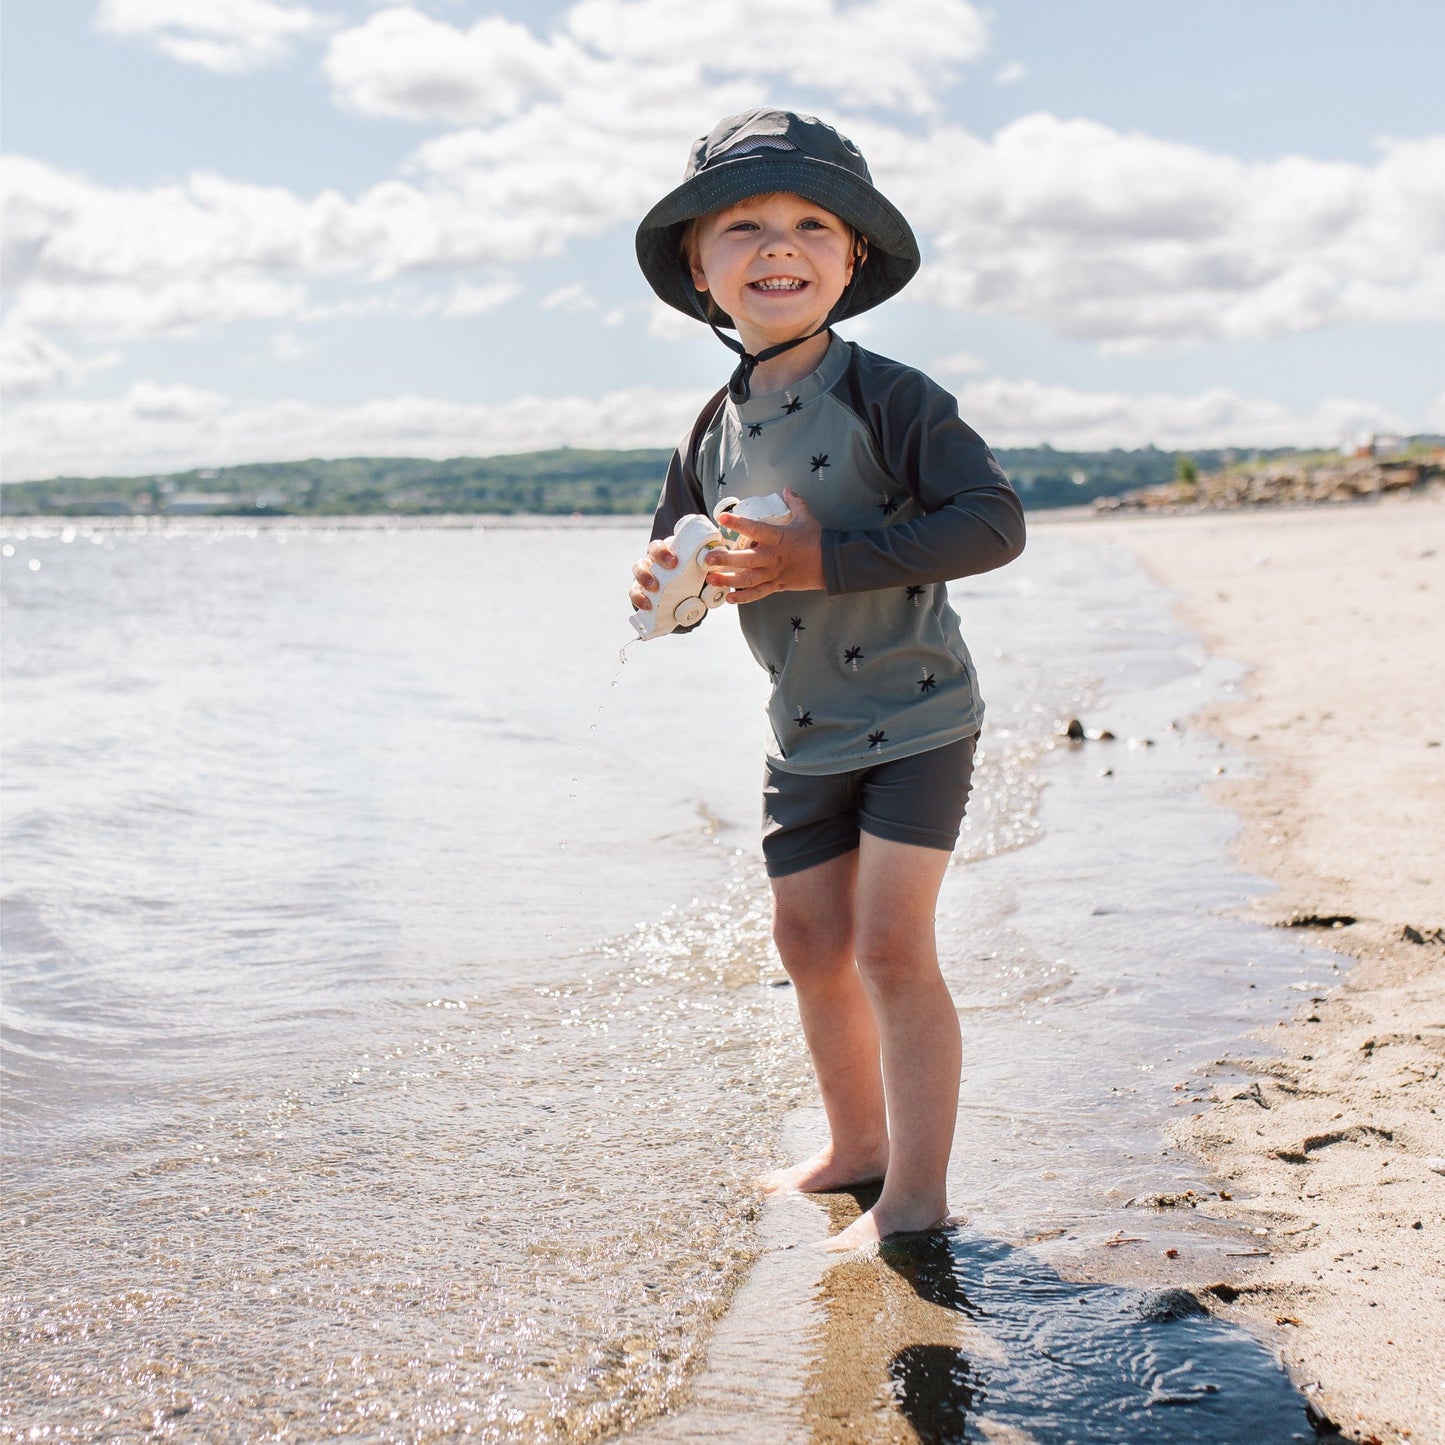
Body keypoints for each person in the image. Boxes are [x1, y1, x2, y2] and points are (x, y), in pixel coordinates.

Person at [629, 109, 1026, 1251]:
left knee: (890, 945)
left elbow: (991, 524)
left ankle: (914, 1198)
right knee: (808, 943)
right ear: (699, 273)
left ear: (850, 262)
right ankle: (855, 1147)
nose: (776, 245)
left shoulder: (891, 396)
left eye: (809, 222)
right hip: (798, 729)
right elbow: (681, 554)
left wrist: (824, 558)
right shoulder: (711, 423)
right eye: (742, 225)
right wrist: (663, 583)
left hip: (914, 711)